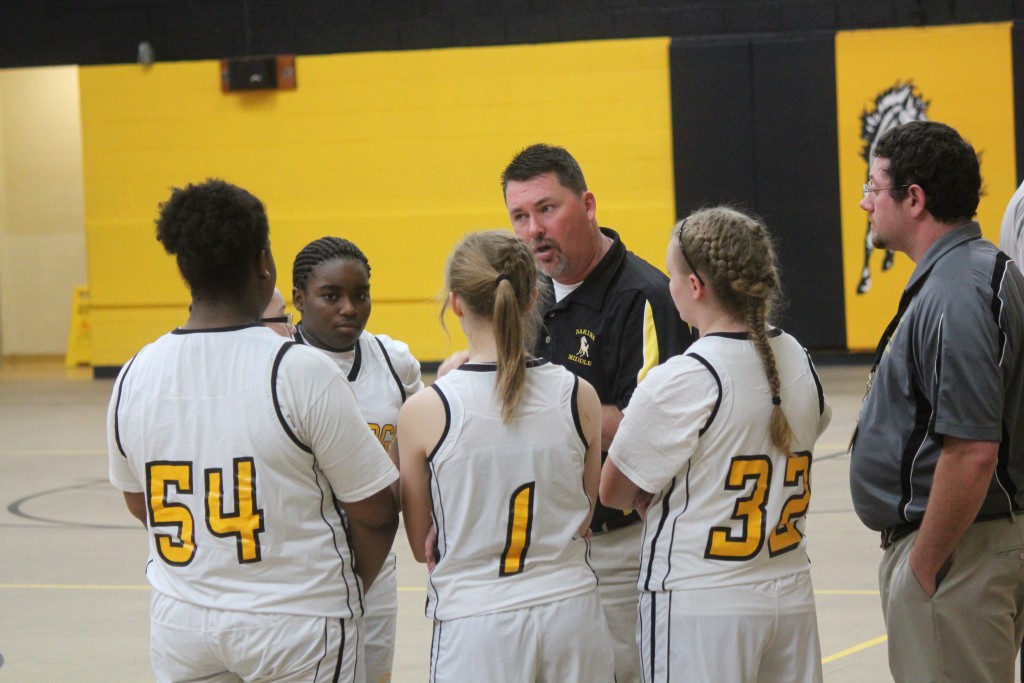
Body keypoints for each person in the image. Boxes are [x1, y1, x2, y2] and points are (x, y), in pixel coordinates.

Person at [107, 179, 399, 683]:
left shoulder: (134, 372)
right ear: (264, 263)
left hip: (182, 622)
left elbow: (141, 503)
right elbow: (376, 511)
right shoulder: (300, 370)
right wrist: (347, 589)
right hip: (296, 623)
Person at [600, 207, 832, 682]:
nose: (668, 287)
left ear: (696, 287)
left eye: (672, 276)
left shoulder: (685, 377)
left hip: (700, 601)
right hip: (788, 592)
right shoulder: (800, 358)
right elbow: (805, 429)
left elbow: (614, 493)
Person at [501, 143, 693, 681]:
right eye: (520, 216)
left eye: (547, 208)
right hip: (543, 547)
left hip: (621, 544)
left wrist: (555, 406)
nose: (534, 228)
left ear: (587, 204)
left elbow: (654, 430)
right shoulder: (525, 295)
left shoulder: (645, 296)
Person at [849, 120, 1024, 683]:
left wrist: (924, 568)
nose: (864, 202)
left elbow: (972, 451)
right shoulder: (970, 273)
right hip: (965, 550)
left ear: (915, 199)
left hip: (957, 559)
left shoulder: (956, 293)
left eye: (875, 188)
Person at [399, 230, 614, 682]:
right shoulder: (581, 395)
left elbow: (423, 542)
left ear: (455, 303)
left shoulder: (424, 411)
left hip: (477, 621)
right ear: (534, 296)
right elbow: (584, 512)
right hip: (571, 614)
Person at [292, 235, 423, 683]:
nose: (349, 307)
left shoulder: (394, 361)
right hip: (304, 562)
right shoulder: (280, 365)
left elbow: (421, 446)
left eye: (360, 295)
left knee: (373, 674)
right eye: (331, 296)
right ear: (298, 299)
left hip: (375, 554)